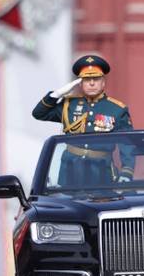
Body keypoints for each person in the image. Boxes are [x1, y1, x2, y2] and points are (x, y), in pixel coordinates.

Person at [32, 54, 135, 186]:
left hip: (101, 172)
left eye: (96, 79)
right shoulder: (69, 105)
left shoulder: (116, 109)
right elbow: (38, 113)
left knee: (103, 204)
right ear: (80, 83)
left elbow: (127, 143)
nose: (91, 83)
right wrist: (56, 94)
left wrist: (126, 172)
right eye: (86, 79)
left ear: (103, 82)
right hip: (70, 170)